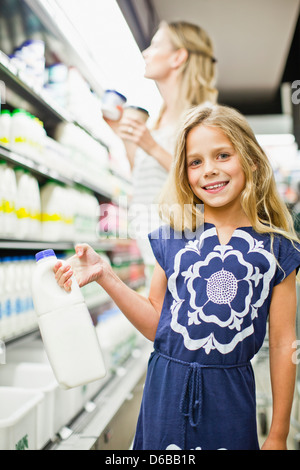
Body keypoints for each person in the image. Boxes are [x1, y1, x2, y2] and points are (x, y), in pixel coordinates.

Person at [54, 104, 300, 450]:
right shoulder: (175, 235)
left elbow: (282, 342)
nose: (209, 170)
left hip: (230, 403)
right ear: (184, 173)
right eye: (195, 162)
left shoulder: (277, 249)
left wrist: (277, 434)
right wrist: (105, 275)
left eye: (222, 155)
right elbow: (159, 325)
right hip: (164, 400)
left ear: (252, 160)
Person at [104, 21, 218, 282]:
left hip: (185, 254)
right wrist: (126, 138)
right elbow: (146, 178)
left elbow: (207, 178)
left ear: (178, 57)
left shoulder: (203, 115)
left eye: (155, 45)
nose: (146, 53)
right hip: (152, 250)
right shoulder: (158, 117)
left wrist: (152, 146)